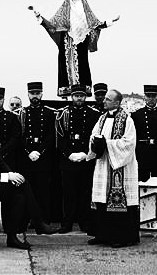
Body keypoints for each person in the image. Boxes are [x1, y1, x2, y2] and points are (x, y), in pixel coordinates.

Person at [0, 114, 58, 250]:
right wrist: (7, 177)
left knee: (20, 190)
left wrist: (12, 175)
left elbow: (1, 163)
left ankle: (16, 235)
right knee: (18, 193)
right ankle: (35, 224)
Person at [31, 0, 119, 97]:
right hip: (67, 41)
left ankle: (82, 92)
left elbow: (96, 24)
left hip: (82, 41)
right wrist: (40, 18)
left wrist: (110, 21)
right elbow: (52, 26)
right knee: (66, 67)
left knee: (82, 65)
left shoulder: (85, 11)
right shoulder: (63, 11)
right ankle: (66, 93)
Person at [87, 89, 139, 247]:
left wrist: (107, 144)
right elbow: (94, 134)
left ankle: (121, 237)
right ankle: (102, 234)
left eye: (108, 99)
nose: (104, 101)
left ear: (117, 102)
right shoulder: (102, 118)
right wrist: (96, 143)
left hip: (119, 165)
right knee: (102, 198)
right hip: (103, 164)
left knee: (117, 200)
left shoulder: (127, 120)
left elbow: (129, 143)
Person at [56, 84, 100, 233]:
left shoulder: (94, 114)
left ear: (85, 97)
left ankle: (84, 222)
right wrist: (69, 154)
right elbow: (60, 137)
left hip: (86, 160)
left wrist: (86, 153)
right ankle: (67, 223)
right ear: (71, 97)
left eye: (81, 96)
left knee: (85, 193)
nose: (79, 98)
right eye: (76, 96)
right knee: (68, 194)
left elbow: (95, 137)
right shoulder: (63, 114)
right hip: (68, 161)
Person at [18, 82, 55, 223]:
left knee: (43, 190)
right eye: (32, 93)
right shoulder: (22, 113)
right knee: (28, 190)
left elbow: (51, 136)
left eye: (37, 93)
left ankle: (44, 220)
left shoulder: (49, 113)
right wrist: (28, 151)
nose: (35, 96)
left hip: (43, 157)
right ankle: (28, 219)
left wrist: (39, 151)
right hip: (27, 157)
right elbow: (19, 136)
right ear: (28, 94)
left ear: (41, 94)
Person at [131, 85, 157, 182]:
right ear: (144, 97)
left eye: (153, 96)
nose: (151, 99)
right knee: (142, 182)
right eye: (148, 96)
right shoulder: (136, 115)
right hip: (143, 153)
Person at [0, 87, 21, 169]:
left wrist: (4, 150)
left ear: (3, 99)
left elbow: (15, 136)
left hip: (8, 155)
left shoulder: (11, 117)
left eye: (0, 99)